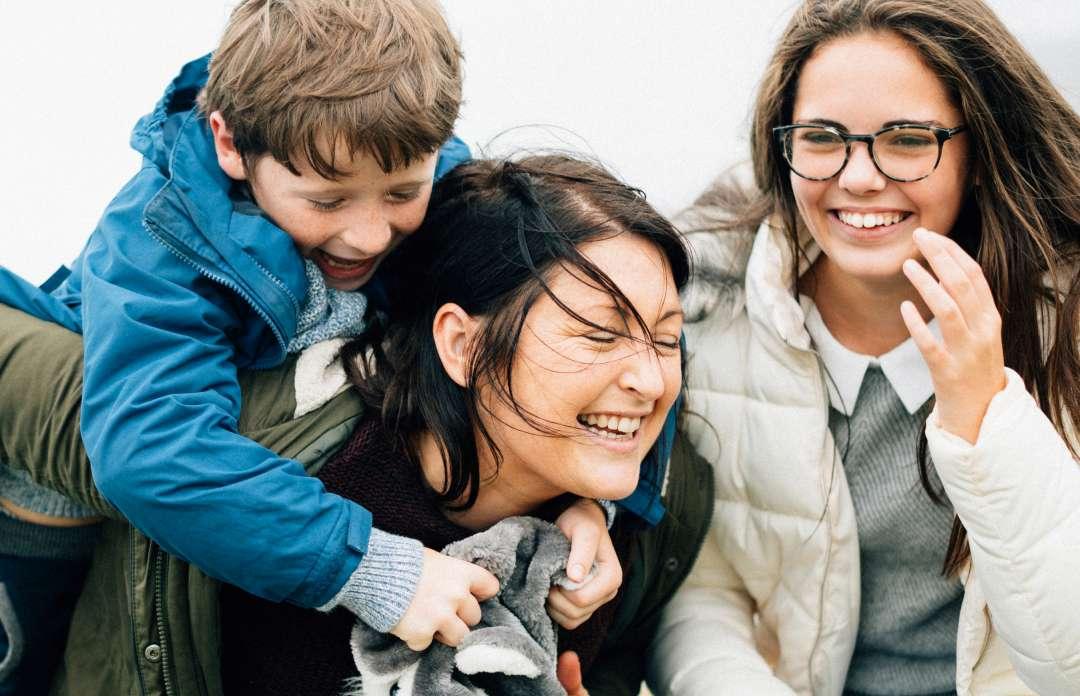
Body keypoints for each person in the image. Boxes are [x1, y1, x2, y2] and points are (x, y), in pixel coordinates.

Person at [0, 2, 622, 692]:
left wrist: (587, 498)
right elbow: (150, 447)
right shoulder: (158, 237)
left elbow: (607, 311)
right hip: (55, 503)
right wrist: (370, 568)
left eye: (402, 193)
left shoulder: (422, 163)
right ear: (231, 144)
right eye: (327, 202)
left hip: (248, 498)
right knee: (36, 660)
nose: (369, 235)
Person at [0, 155, 714, 696]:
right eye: (598, 334)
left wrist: (605, 506)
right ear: (462, 345)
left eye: (664, 338)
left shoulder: (651, 521)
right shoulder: (233, 438)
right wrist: (364, 566)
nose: (650, 381)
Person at [647, 1, 1080, 694]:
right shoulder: (708, 307)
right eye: (822, 137)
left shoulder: (1065, 320)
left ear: (978, 152)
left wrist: (985, 413)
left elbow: (1068, 664)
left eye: (907, 139)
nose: (858, 178)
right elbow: (704, 591)